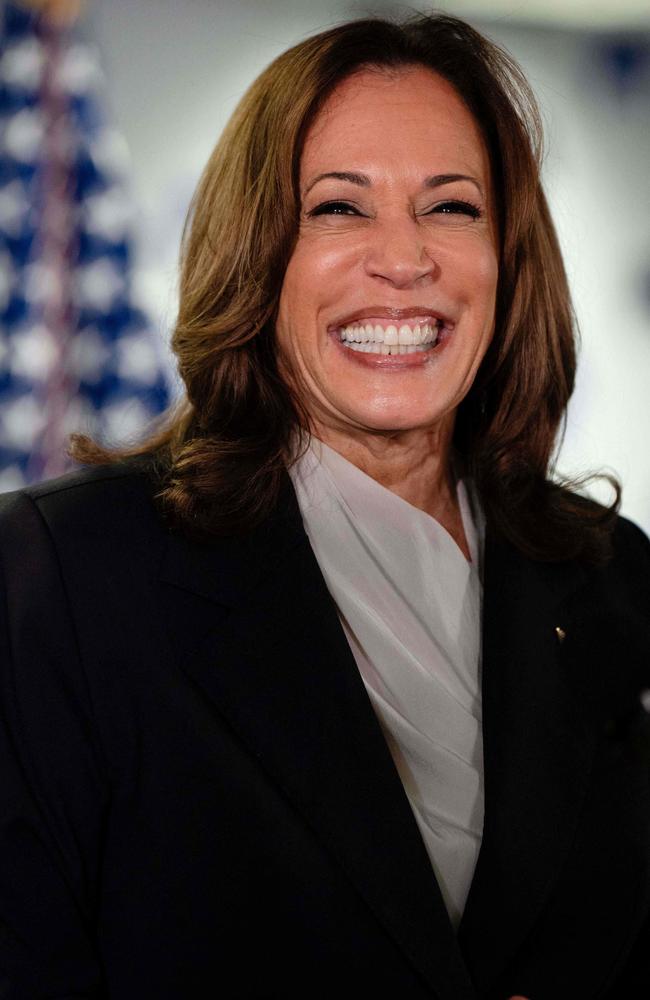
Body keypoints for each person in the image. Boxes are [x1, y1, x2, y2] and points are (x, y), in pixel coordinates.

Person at [0, 12, 649, 1000]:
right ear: (254, 253)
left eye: (452, 207)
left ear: (508, 261)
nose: (404, 258)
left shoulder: (617, 579)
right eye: (339, 209)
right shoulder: (64, 578)